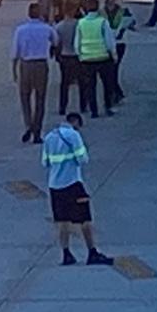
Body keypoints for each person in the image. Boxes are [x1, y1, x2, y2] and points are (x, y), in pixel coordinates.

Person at [41, 113, 113, 266]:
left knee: (62, 220)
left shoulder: (49, 137)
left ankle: (66, 254)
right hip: (73, 183)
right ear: (75, 123)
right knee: (85, 219)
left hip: (55, 185)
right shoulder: (73, 135)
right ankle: (92, 252)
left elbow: (45, 162)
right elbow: (82, 159)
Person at [11, 2, 59, 144]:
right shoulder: (46, 28)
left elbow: (15, 52)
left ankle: (28, 124)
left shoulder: (20, 30)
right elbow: (56, 41)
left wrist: (14, 71)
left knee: (25, 98)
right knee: (40, 98)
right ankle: (37, 130)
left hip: (25, 65)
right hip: (41, 64)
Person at [75, 0, 117, 118]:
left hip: (87, 58)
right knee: (106, 84)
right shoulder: (103, 22)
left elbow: (77, 42)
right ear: (98, 8)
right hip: (102, 57)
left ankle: (94, 110)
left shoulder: (81, 23)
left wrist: (80, 55)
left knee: (90, 86)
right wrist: (113, 54)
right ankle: (108, 106)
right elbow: (109, 40)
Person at [103, 0, 136, 103]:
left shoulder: (122, 11)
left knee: (113, 69)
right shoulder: (102, 12)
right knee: (110, 70)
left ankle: (116, 93)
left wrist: (125, 27)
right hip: (106, 44)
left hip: (119, 43)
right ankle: (116, 93)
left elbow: (132, 22)